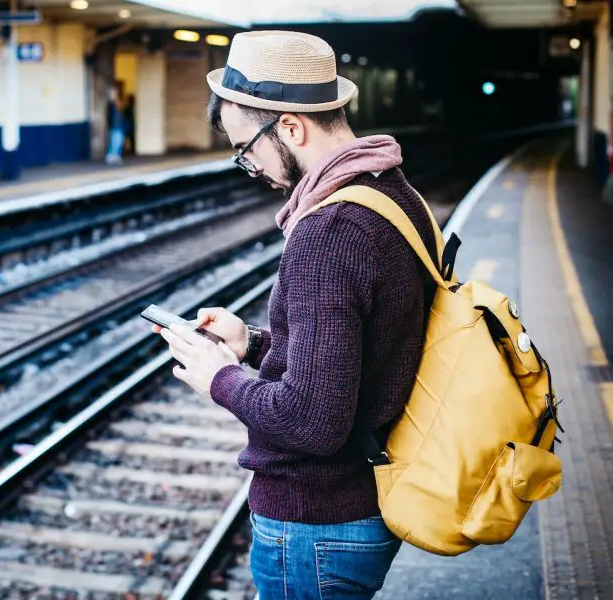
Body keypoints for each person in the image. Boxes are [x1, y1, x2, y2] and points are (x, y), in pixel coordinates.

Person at [153, 30, 438, 599]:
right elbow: (368, 346)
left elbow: (311, 420)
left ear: (290, 127)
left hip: (316, 522)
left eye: (247, 148)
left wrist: (219, 379)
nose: (250, 166)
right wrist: (252, 342)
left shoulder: (328, 231)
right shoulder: (392, 192)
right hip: (358, 505)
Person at [106, 86, 125, 165]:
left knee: (118, 142)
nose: (119, 103)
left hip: (119, 128)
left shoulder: (119, 111)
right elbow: (111, 102)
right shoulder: (112, 109)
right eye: (117, 102)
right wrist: (113, 96)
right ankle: (111, 156)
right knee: (114, 142)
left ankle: (116, 156)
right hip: (115, 128)